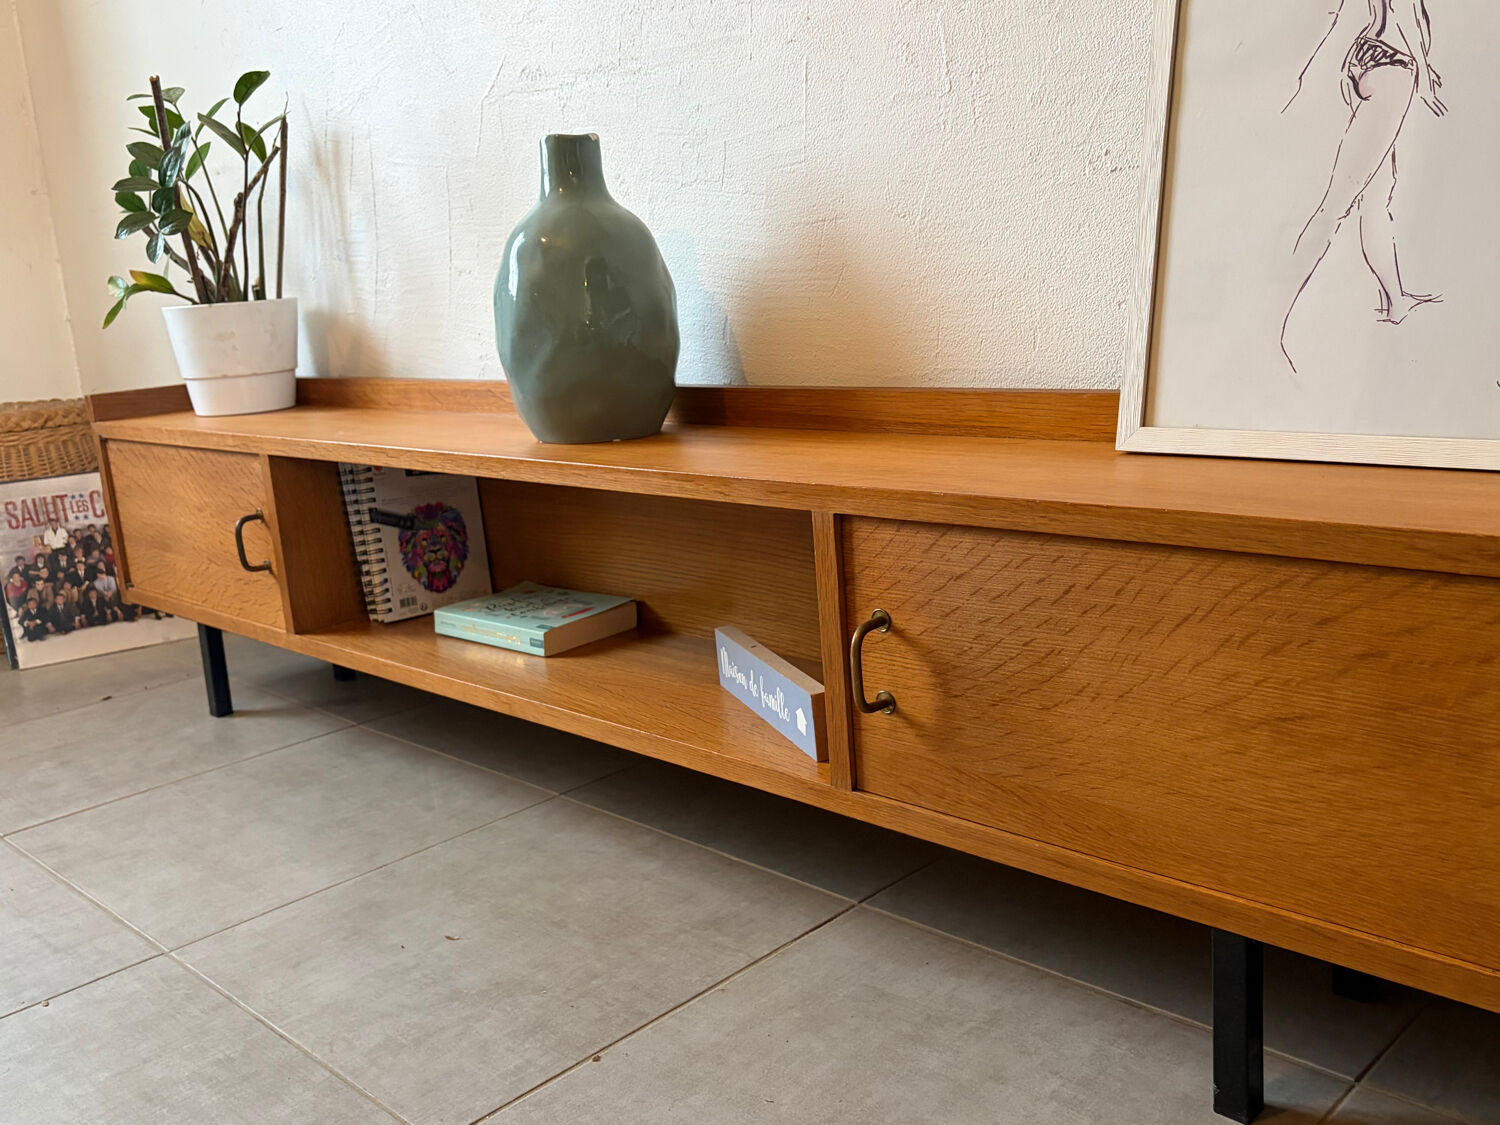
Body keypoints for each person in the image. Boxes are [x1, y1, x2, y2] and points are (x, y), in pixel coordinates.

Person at [1282, 0, 1444, 368]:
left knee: (1375, 200)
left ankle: (1396, 301)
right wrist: (1422, 72)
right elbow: (1405, 9)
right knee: (1337, 205)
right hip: (1394, 65)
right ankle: (1271, 318)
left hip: (1369, 57)